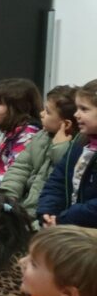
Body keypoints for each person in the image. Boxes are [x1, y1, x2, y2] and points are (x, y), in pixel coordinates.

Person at [0, 85, 78, 215]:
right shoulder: (41, 136)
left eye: (48, 112)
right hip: (21, 206)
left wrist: (59, 148)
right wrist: (9, 195)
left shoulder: (76, 146)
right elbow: (20, 168)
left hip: (43, 213)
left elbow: (64, 175)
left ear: (66, 124)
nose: (41, 113)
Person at [36, 79, 97, 227]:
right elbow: (57, 181)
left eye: (84, 109)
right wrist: (48, 212)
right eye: (77, 108)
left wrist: (65, 218)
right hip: (67, 225)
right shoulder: (80, 143)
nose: (76, 114)